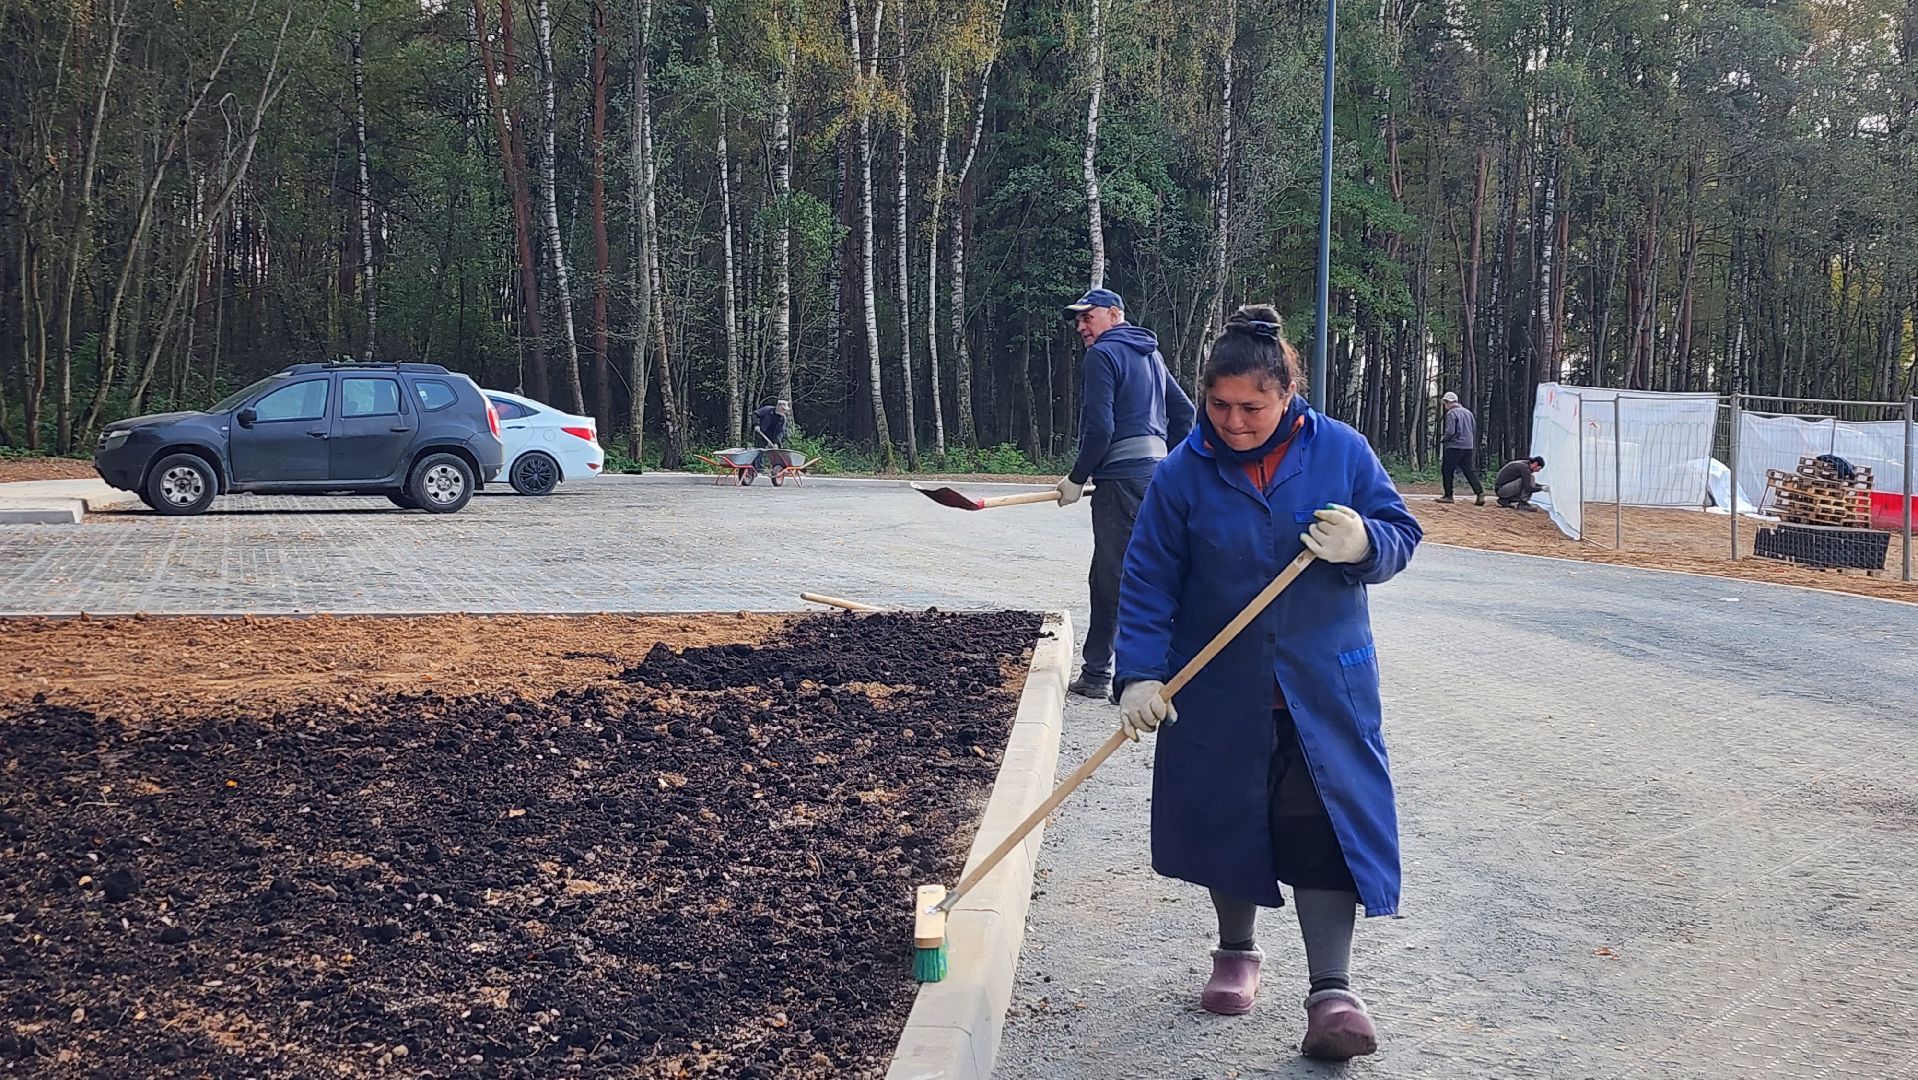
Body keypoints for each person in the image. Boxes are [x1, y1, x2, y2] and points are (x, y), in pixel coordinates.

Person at [1111, 305, 1420, 1061]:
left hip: (1324, 687)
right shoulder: (1183, 472)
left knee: (1323, 828)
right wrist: (1140, 676)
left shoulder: (1340, 450)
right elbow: (1150, 579)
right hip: (1218, 686)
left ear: (1288, 393)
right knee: (1230, 818)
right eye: (1219, 406)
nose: (1234, 422)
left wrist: (1364, 542)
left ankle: (1332, 992)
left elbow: (1400, 532)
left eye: (1252, 406)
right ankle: (1236, 950)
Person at [1055, 287, 1196, 700]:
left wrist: (1078, 477)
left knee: (1112, 576)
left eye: (1088, 316)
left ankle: (1103, 674)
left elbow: (1101, 429)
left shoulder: (1103, 354)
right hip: (1152, 479)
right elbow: (1184, 412)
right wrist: (1169, 465)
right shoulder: (1149, 352)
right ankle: (1145, 671)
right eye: (1078, 319)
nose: (1081, 326)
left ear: (1114, 314)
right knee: (1150, 570)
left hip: (1120, 482)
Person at [1436, 391, 1484, 505]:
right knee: (1468, 470)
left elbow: (1451, 431)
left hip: (1455, 446)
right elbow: (1473, 428)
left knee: (1447, 470)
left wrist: (1444, 439)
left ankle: (1448, 496)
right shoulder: (1468, 413)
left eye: (1445, 403)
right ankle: (1480, 492)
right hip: (1468, 446)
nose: (1445, 406)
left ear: (1448, 402)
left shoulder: (1451, 413)